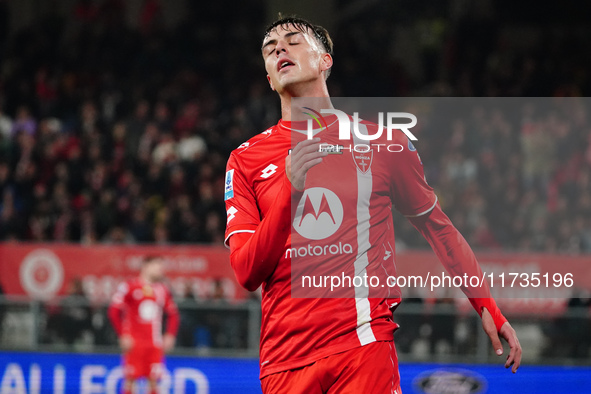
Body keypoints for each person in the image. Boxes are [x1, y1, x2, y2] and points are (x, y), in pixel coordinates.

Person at [224, 15, 522, 394]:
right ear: (269, 78)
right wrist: (289, 191)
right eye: (270, 48)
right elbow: (247, 272)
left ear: (324, 60)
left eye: (294, 40)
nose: (280, 48)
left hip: (363, 347)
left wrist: (486, 305)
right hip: (284, 360)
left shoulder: (385, 143)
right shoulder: (245, 159)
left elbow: (439, 230)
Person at [108, 255, 179, 394]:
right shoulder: (129, 286)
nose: (161, 270)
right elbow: (114, 311)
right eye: (157, 266)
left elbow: (173, 314)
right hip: (134, 343)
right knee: (130, 381)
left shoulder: (162, 290)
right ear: (146, 267)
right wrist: (122, 335)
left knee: (153, 382)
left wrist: (170, 334)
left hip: (154, 343)